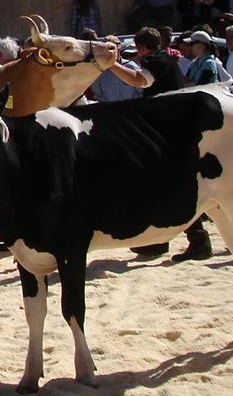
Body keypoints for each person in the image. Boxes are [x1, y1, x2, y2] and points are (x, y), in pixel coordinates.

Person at [108, 27, 211, 260]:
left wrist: (110, 65)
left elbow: (138, 80)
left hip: (168, 133)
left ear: (142, 47)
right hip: (168, 131)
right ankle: (164, 241)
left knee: (172, 187)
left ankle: (196, 240)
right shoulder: (163, 58)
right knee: (165, 188)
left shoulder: (157, 60)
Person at [90, 36, 143, 102]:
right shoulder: (99, 71)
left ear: (119, 50)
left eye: (112, 49)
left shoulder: (131, 66)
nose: (110, 53)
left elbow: (140, 90)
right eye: (106, 50)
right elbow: (97, 94)